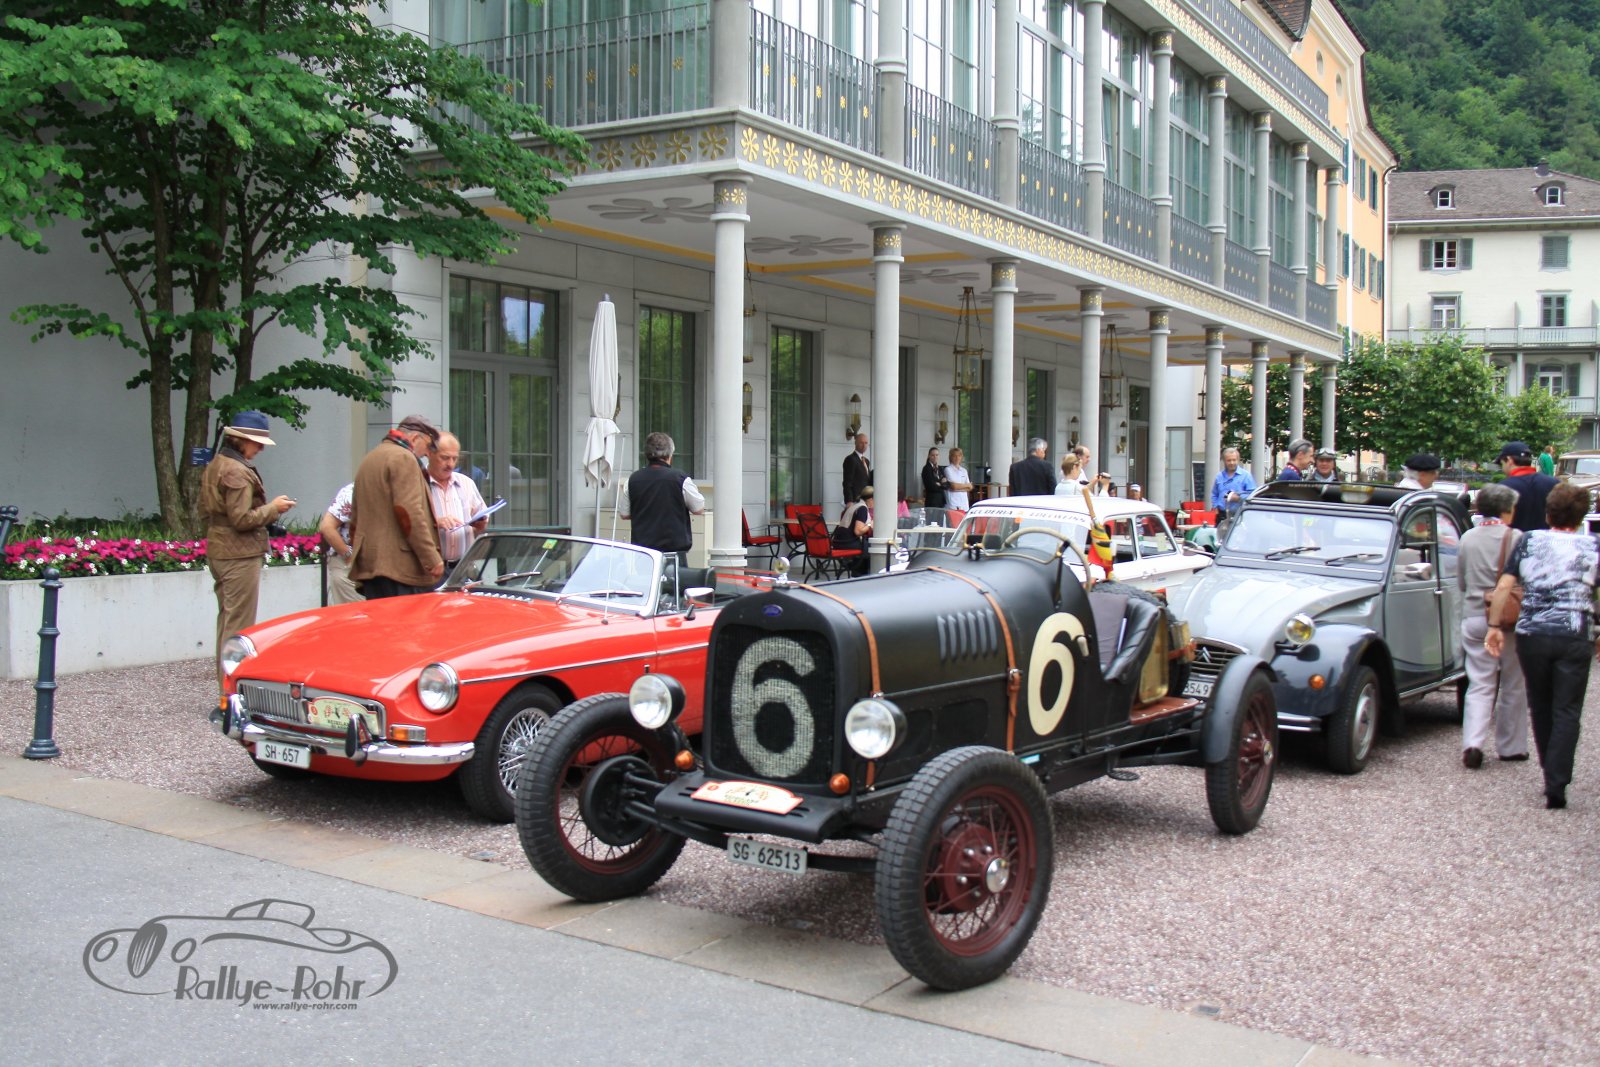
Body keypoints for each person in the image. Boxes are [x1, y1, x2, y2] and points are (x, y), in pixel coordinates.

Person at [1485, 482, 1600, 809]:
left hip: (1532, 633)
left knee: (1540, 703)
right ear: (1581, 517)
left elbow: (1504, 586)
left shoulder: (1529, 541)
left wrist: (1494, 626)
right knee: (1568, 709)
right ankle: (1557, 780)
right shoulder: (1593, 546)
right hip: (1574, 632)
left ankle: (1549, 769)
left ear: (1548, 513)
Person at [200, 411, 294, 694]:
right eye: (257, 442)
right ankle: (231, 694)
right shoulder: (236, 471)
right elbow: (241, 519)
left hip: (220, 549)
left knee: (226, 622)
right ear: (240, 440)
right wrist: (273, 509)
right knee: (238, 627)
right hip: (238, 555)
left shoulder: (217, 463)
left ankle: (226, 690)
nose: (261, 448)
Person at [1456, 483, 1529, 769]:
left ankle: (1473, 743)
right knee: (1513, 683)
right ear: (1506, 510)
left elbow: (1461, 582)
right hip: (1509, 619)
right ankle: (1511, 746)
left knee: (1479, 682)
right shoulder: (1516, 537)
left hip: (1475, 615)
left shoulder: (1467, 538)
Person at [350, 414, 444, 599]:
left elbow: (356, 516)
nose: (427, 454)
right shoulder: (404, 458)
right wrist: (431, 558)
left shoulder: (371, 458)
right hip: (400, 568)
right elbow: (409, 513)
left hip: (372, 567)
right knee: (406, 618)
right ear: (415, 438)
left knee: (380, 618)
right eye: (428, 446)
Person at [619, 431, 705, 565]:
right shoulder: (680, 479)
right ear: (670, 455)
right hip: (673, 553)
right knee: (674, 579)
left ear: (647, 454)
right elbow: (698, 508)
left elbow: (624, 514)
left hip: (643, 554)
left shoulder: (633, 479)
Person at [427, 432, 488, 578]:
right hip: (430, 570)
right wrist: (436, 523)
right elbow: (409, 525)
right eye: (445, 458)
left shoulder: (466, 483)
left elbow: (481, 517)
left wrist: (481, 524)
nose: (450, 464)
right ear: (429, 454)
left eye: (455, 459)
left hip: (463, 568)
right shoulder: (418, 483)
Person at [1497, 441, 1560, 532]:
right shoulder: (1554, 483)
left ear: (1509, 460)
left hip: (1514, 540)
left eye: (1501, 463)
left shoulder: (1503, 488)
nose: (1502, 468)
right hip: (1547, 539)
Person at [317, 482, 362, 606]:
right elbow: (327, 527)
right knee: (358, 614)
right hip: (349, 568)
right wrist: (349, 557)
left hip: (373, 570)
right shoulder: (352, 491)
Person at [832, 485, 874, 577]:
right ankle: (863, 575)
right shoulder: (862, 508)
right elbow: (858, 531)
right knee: (873, 547)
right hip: (848, 543)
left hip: (838, 542)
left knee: (867, 545)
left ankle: (858, 572)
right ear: (871, 499)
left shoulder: (855, 505)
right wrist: (870, 524)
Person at [1211, 446, 1256, 518]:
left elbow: (1252, 495)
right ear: (1224, 461)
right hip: (1221, 515)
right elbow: (1214, 494)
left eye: (1234, 460)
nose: (1232, 463)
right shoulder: (1219, 476)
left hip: (1239, 515)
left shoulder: (1246, 476)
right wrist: (1215, 506)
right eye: (1229, 460)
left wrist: (1239, 498)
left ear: (1238, 460)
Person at [842, 431, 872, 505]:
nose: (864, 445)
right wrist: (849, 501)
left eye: (866, 443)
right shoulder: (850, 459)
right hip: (855, 500)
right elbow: (847, 482)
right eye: (861, 443)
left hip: (866, 500)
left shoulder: (866, 461)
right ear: (855, 443)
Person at [944, 447, 973, 511]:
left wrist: (957, 488)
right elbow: (954, 486)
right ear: (951, 457)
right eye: (955, 456)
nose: (957, 458)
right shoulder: (948, 469)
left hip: (964, 504)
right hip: (953, 504)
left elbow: (970, 487)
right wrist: (966, 485)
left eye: (959, 456)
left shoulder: (964, 470)